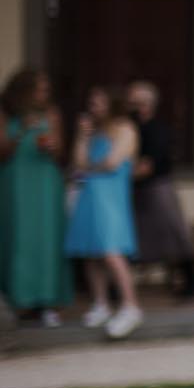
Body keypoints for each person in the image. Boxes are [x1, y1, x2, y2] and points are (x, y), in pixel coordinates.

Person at [66, 86, 143, 339]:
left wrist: (89, 168)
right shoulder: (94, 132)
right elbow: (77, 163)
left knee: (111, 252)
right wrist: (82, 136)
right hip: (89, 197)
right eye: (92, 102)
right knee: (91, 252)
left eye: (98, 102)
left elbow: (112, 163)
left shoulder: (125, 129)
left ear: (112, 105)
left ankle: (130, 306)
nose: (93, 107)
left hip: (111, 199)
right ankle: (100, 304)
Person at [0, 69, 68, 326]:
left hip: (45, 183)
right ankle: (20, 301)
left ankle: (49, 302)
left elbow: (61, 151)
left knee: (45, 239)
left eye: (46, 90)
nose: (44, 94)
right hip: (15, 183)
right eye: (39, 89)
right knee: (19, 239)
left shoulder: (51, 113)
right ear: (23, 90)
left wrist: (52, 147)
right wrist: (20, 133)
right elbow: (2, 152)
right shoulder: (6, 112)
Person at [125, 80, 194, 301]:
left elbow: (147, 166)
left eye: (136, 103)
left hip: (158, 189)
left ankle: (192, 282)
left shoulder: (158, 130)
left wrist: (116, 176)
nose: (132, 107)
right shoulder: (130, 128)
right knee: (137, 239)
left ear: (148, 105)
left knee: (175, 236)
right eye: (130, 102)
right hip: (138, 191)